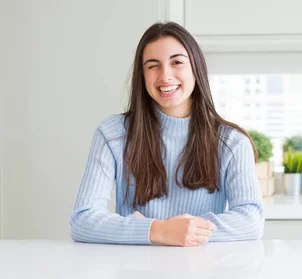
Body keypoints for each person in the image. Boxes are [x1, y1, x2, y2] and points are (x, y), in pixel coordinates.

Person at [69, 21, 264, 246]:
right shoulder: (112, 134)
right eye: (153, 66)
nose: (165, 76)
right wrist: (158, 231)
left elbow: (251, 220)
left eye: (177, 62)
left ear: (196, 68)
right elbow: (82, 220)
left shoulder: (231, 142)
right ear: (142, 76)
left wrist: (183, 231)